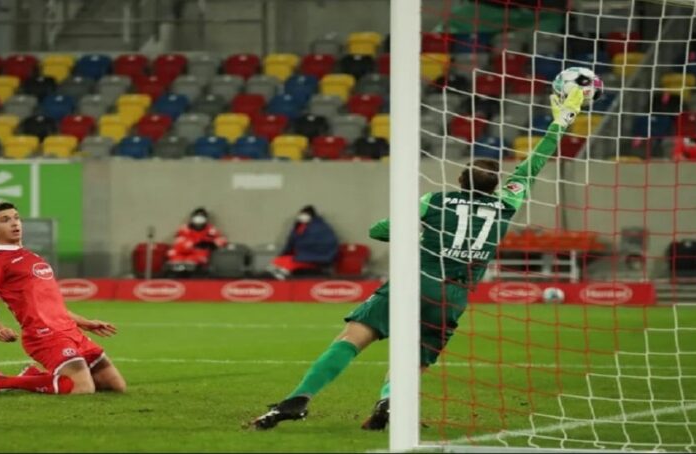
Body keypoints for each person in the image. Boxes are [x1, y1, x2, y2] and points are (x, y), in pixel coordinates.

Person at [248, 88, 588, 431]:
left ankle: (299, 399)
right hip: (452, 296)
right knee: (415, 359)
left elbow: (379, 230)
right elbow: (533, 165)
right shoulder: (506, 204)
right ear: (496, 185)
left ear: (460, 180)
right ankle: (389, 400)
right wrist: (560, 123)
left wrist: (416, 233)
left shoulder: (435, 201)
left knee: (351, 339)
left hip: (414, 282)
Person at [0, 202, 127, 395]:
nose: (14, 223)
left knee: (115, 386)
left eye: (16, 218)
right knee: (82, 387)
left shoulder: (32, 256)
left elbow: (51, 305)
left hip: (70, 331)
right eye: (5, 220)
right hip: (44, 335)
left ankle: (34, 375)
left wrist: (84, 322)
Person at [267, 205, 339, 280]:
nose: (302, 216)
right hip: (302, 256)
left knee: (288, 262)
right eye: (301, 214)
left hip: (315, 258)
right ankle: (276, 277)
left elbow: (325, 244)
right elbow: (291, 242)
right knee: (278, 261)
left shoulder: (321, 227)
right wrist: (284, 253)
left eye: (305, 214)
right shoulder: (299, 227)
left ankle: (281, 277)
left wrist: (302, 252)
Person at [165, 207, 228, 275]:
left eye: (202, 216)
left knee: (198, 260)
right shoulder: (184, 229)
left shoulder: (210, 229)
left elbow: (222, 240)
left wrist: (211, 244)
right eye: (197, 216)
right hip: (181, 253)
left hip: (198, 256)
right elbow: (179, 243)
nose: (199, 218)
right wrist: (193, 245)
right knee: (174, 259)